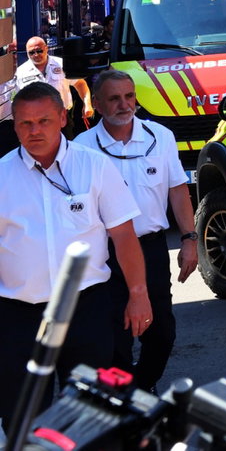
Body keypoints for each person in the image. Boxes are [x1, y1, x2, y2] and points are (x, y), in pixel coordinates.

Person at [0, 82, 149, 432]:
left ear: (62, 118)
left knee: (88, 415)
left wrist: (139, 295)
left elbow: (124, 235)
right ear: (14, 125)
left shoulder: (94, 166)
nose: (35, 130)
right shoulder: (2, 175)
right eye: (25, 123)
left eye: (44, 121)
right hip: (18, 315)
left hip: (86, 310)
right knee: (23, 416)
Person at [82, 70, 197, 390]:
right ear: (98, 104)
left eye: (129, 96)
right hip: (103, 254)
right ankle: (124, 396)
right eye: (114, 98)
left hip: (150, 248)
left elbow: (178, 190)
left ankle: (143, 385)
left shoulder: (161, 136)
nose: (124, 105)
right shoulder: (81, 147)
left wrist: (190, 239)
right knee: (113, 336)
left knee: (161, 333)